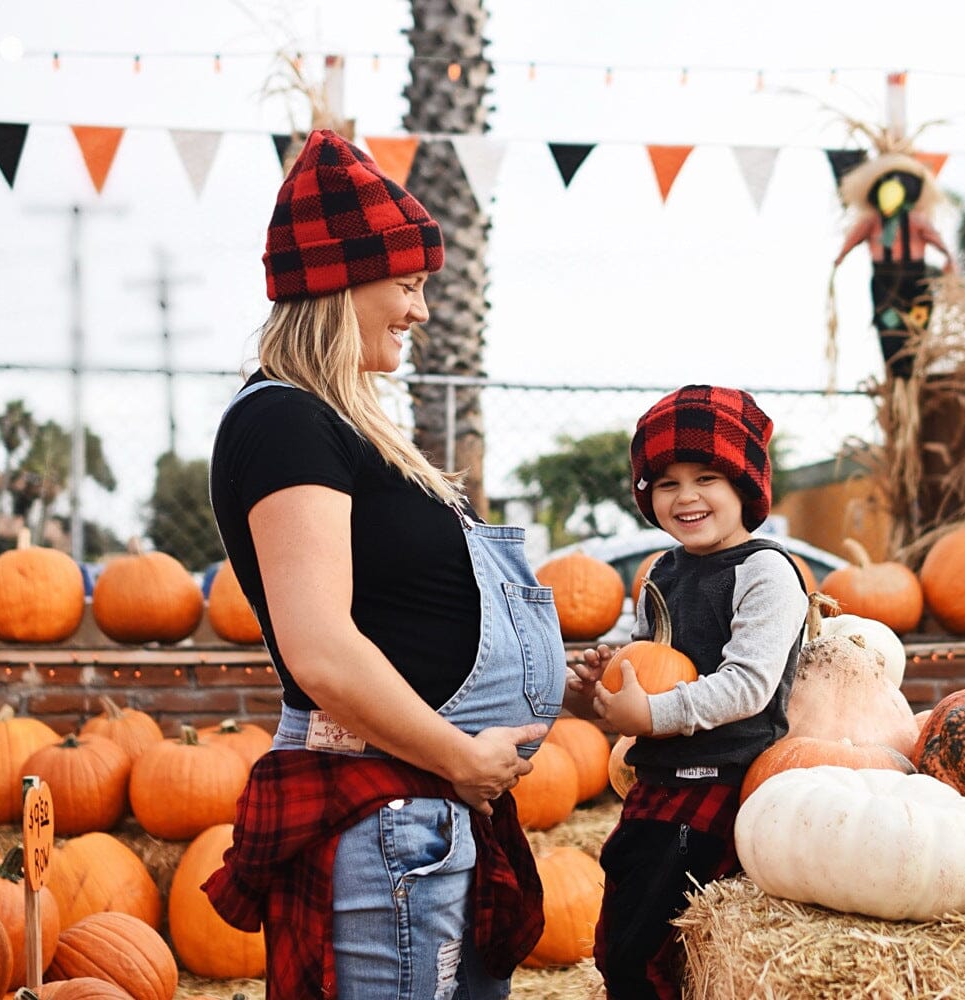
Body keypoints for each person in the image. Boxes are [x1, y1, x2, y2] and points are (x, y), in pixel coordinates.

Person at [202, 128, 571, 1000]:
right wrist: (458, 756)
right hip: (387, 810)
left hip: (421, 806)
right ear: (338, 284)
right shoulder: (283, 422)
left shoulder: (343, 421)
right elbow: (321, 648)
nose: (421, 309)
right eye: (406, 285)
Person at [568, 385, 809, 1000]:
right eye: (666, 483)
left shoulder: (766, 572)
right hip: (657, 782)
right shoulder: (663, 571)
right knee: (619, 922)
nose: (687, 497)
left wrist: (650, 710)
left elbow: (749, 685)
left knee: (649, 943)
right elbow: (646, 659)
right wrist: (605, 680)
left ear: (745, 490)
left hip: (720, 781)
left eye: (707, 478)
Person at [833, 152, 957, 379]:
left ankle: (912, 362)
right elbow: (853, 239)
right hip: (884, 280)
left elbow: (937, 240)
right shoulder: (871, 222)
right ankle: (896, 366)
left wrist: (949, 258)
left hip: (914, 278)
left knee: (916, 320)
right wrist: (839, 258)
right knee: (888, 322)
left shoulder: (916, 220)